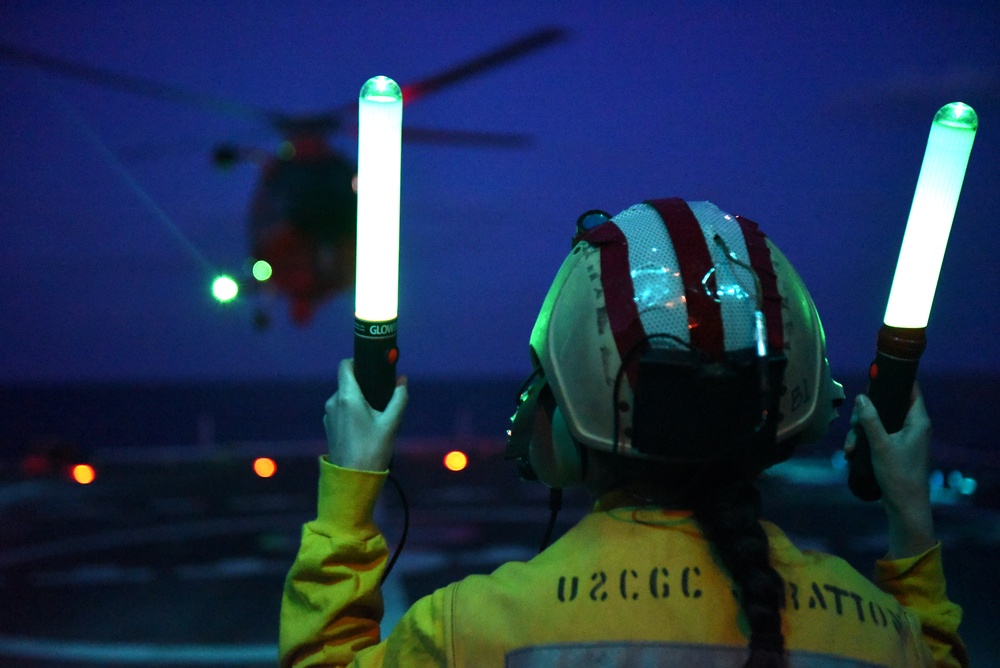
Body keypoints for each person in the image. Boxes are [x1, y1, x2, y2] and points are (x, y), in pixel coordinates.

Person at [279, 198, 967, 667]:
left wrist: (350, 487)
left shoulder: (467, 630)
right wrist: (911, 516)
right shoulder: (886, 637)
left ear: (562, 423)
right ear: (791, 418)